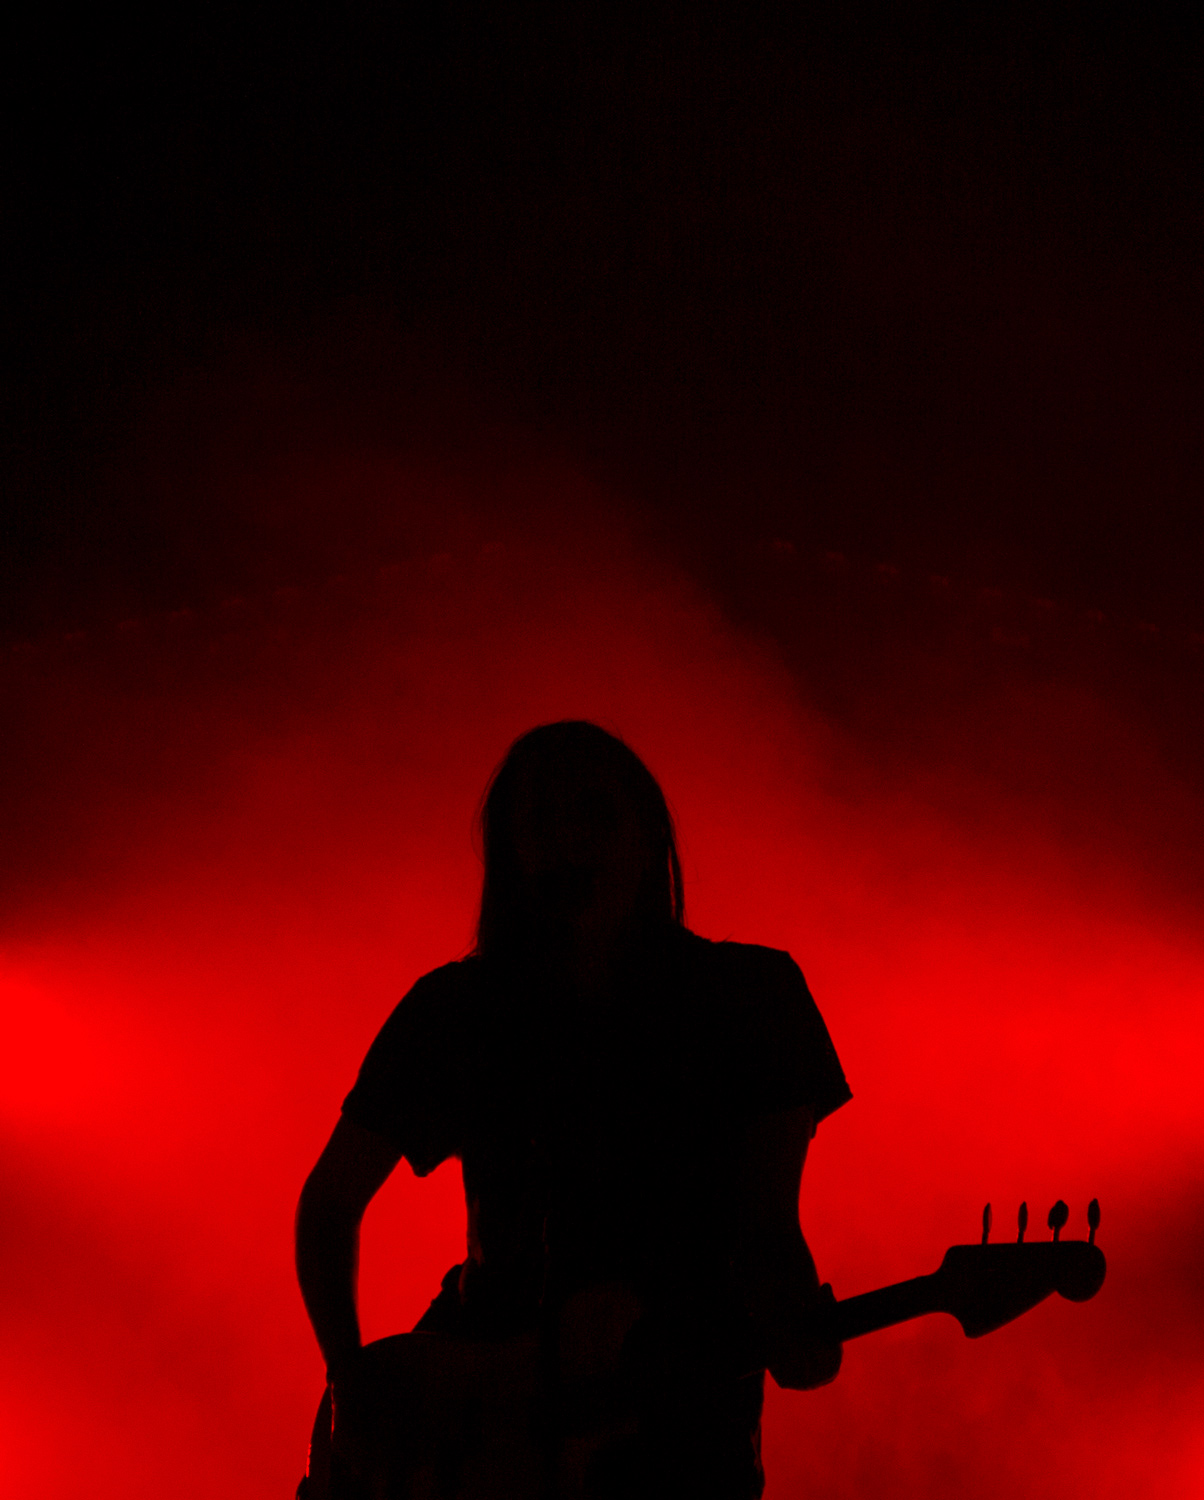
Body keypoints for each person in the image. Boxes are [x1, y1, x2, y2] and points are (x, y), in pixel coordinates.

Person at [296, 721, 850, 1498]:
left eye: (594, 814)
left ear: (647, 833)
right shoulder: (458, 1010)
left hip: (677, 1437)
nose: (567, 843)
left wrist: (798, 1329)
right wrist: (352, 1379)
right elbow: (328, 1205)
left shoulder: (752, 1000)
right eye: (540, 820)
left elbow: (766, 1227)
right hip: (479, 1420)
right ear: (509, 848)